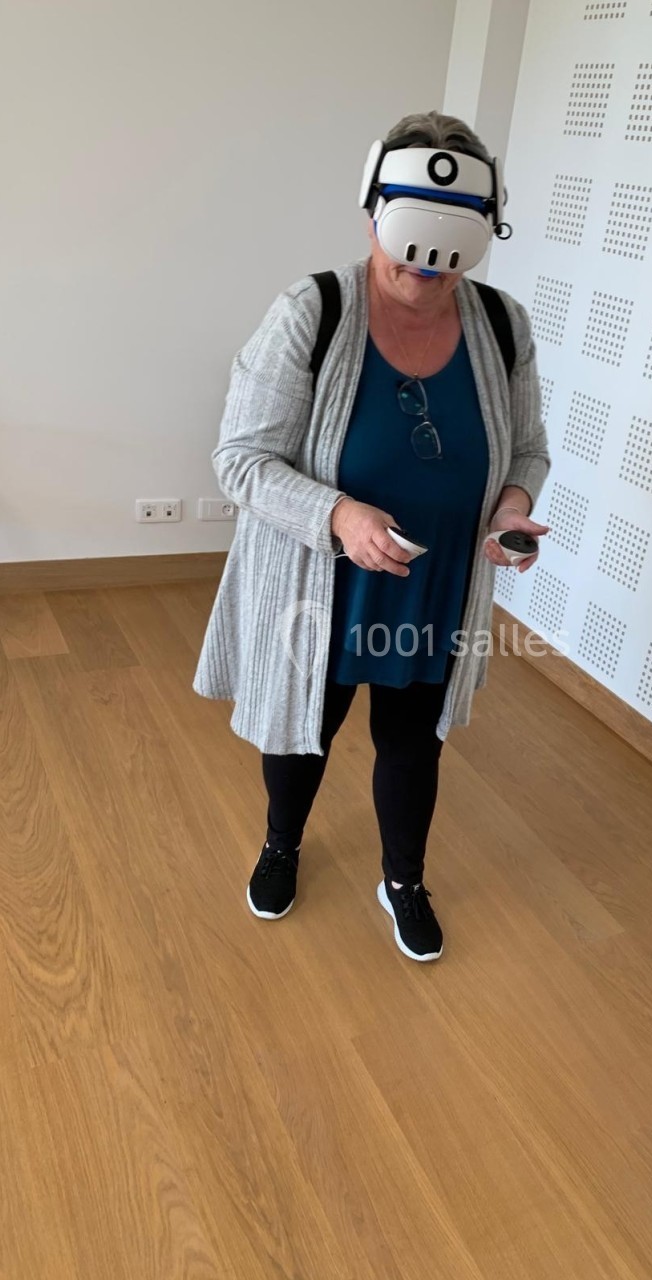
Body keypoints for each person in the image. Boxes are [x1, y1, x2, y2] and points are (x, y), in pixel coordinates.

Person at [193, 110, 551, 963]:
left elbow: (527, 447)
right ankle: (282, 844)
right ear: (373, 215)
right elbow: (240, 460)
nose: (424, 279)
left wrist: (508, 509)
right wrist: (338, 516)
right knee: (302, 730)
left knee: (411, 738)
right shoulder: (310, 311)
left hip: (432, 585)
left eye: (448, 262)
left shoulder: (502, 326)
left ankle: (403, 879)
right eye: (406, 256)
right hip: (320, 582)